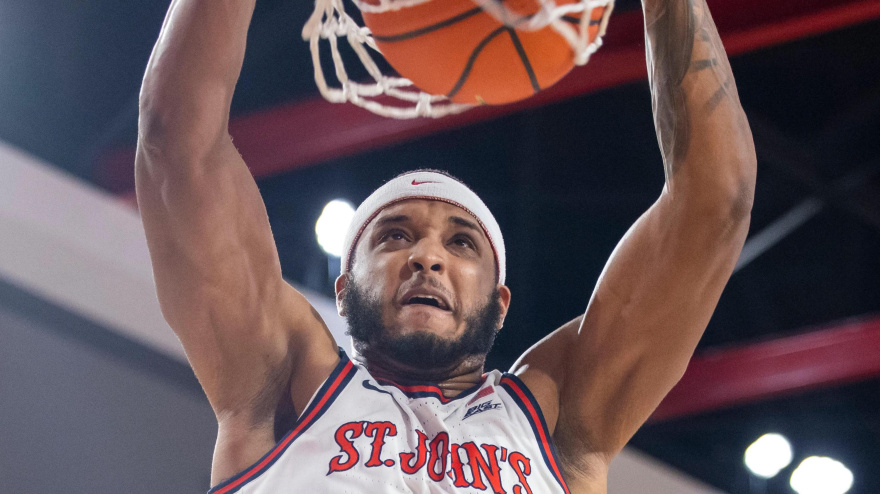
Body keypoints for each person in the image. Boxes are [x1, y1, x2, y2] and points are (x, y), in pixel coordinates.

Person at [134, 0, 756, 491]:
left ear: (501, 302)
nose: (426, 256)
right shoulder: (283, 385)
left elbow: (717, 201)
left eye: (462, 244)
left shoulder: (556, 418)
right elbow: (176, 141)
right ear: (344, 290)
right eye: (395, 235)